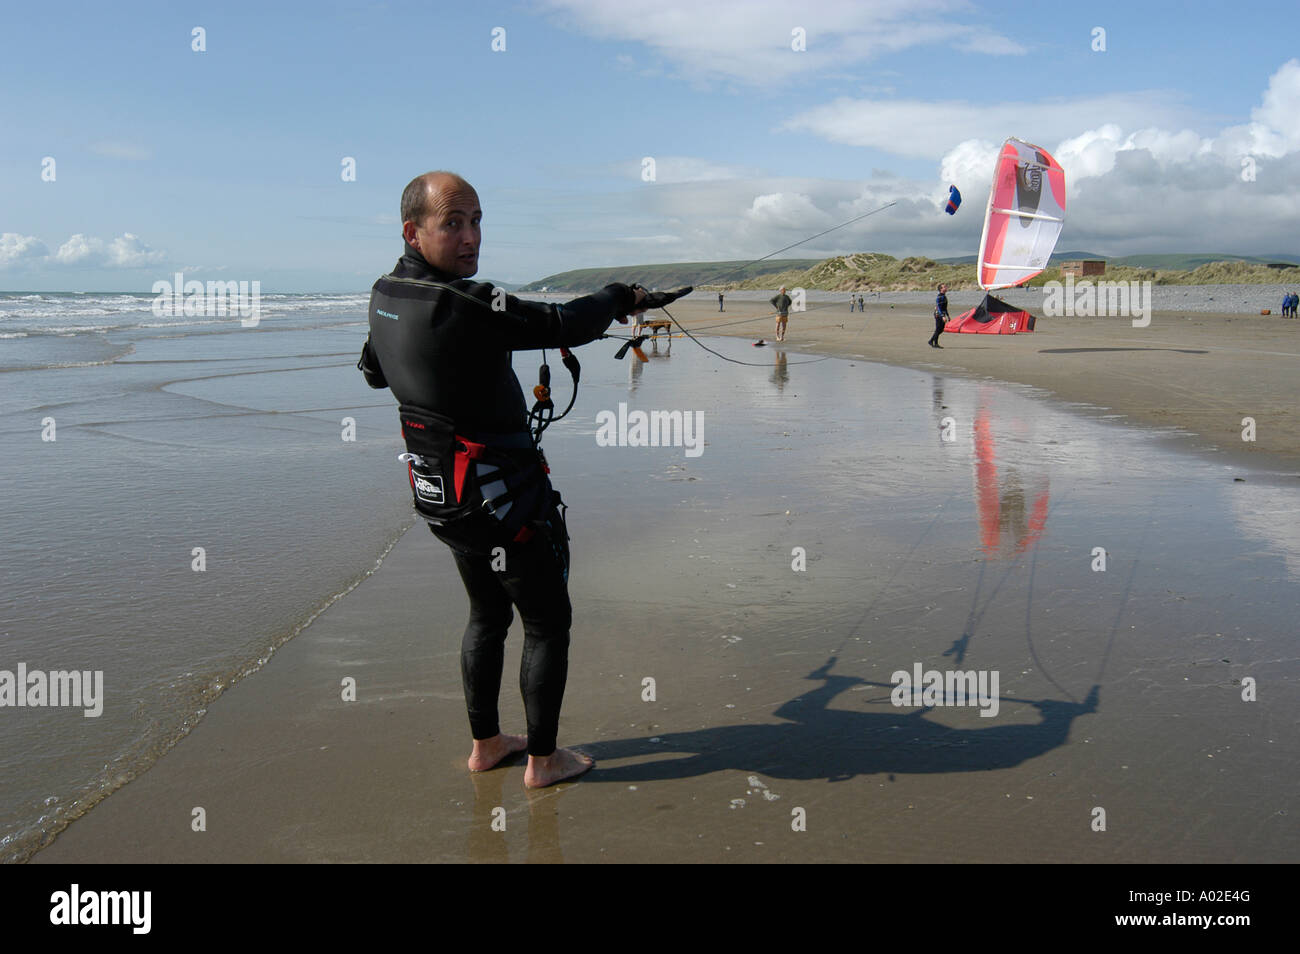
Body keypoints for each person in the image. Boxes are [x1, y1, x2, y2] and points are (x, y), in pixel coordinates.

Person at [358, 171, 648, 788]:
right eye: (453, 224)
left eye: (477, 220)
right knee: (547, 622)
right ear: (414, 231)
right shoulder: (464, 303)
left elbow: (374, 372)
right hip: (501, 499)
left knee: (488, 615)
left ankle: (487, 745)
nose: (471, 237)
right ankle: (545, 761)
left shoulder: (386, 293)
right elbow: (561, 323)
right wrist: (618, 295)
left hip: (440, 496)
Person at [929, 283, 949, 348]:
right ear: (941, 289)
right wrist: (942, 316)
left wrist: (948, 316)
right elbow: (939, 307)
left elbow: (945, 308)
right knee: (938, 329)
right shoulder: (940, 297)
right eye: (944, 287)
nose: (946, 288)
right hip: (938, 314)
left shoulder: (944, 296)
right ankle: (934, 343)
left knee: (941, 329)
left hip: (942, 314)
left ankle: (932, 341)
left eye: (946, 287)